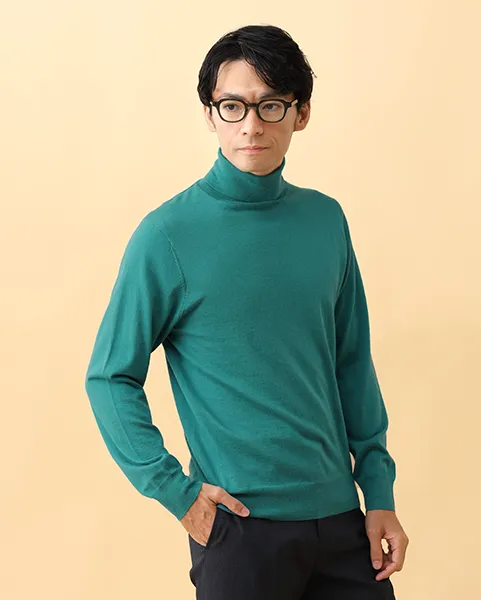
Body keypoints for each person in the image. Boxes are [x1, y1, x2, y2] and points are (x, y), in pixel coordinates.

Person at [85, 23, 409, 600]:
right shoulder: (168, 235)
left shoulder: (325, 220)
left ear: (300, 113)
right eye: (232, 106)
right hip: (240, 528)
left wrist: (378, 493)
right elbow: (109, 376)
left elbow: (352, 364)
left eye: (270, 105)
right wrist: (176, 493)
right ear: (209, 115)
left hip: (341, 521)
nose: (251, 126)